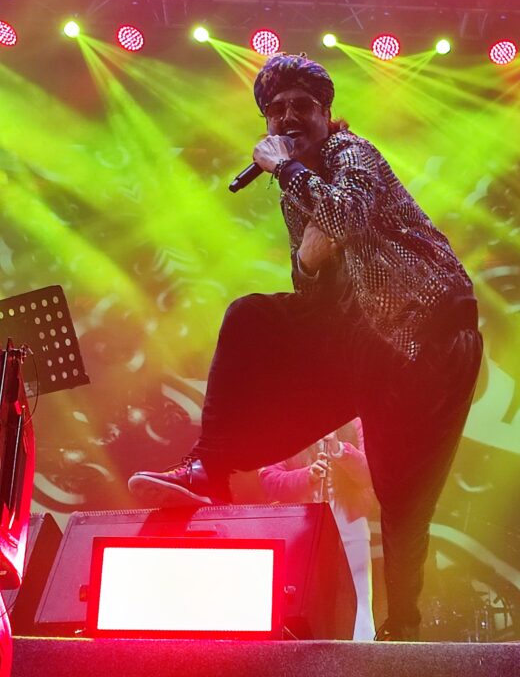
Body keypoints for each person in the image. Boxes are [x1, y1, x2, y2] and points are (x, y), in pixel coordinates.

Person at [128, 53, 483, 641]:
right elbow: (311, 287)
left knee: (402, 498)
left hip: (427, 337)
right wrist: (310, 266)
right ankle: (207, 467)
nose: (289, 117)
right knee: (250, 316)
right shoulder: (297, 190)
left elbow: (347, 214)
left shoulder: (352, 153)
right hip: (359, 336)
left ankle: (403, 631)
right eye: (276, 111)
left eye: (302, 107)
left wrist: (287, 170)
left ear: (325, 114)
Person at [259, 419, 377, 641]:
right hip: (304, 527)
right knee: (307, 600)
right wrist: (308, 476)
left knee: (358, 600)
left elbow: (369, 474)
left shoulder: (355, 423)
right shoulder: (286, 423)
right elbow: (269, 480)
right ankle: (306, 654)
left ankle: (361, 654)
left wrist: (340, 451)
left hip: (350, 520)